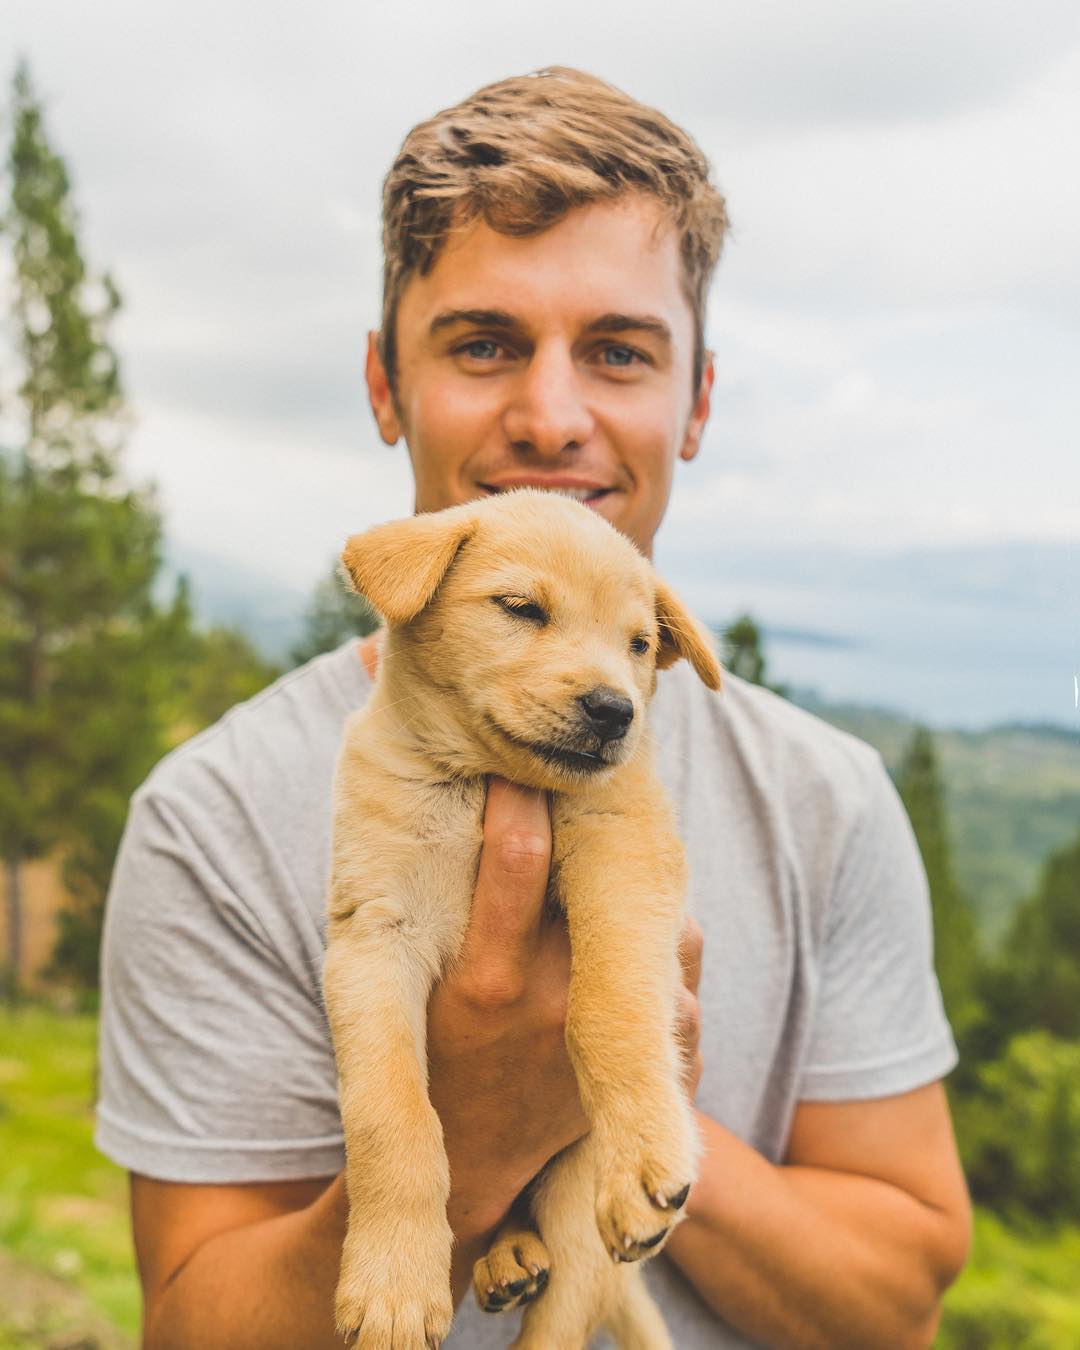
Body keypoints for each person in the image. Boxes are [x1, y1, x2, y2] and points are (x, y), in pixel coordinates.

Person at [95, 67, 972, 1349]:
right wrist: (464, 1144)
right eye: (483, 344)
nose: (552, 418)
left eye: (619, 352)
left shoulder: (826, 800)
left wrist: (615, 1086)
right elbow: (188, 1326)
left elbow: (899, 1303)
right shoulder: (207, 819)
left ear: (697, 403)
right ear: (385, 384)